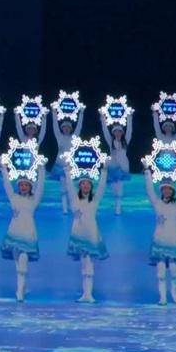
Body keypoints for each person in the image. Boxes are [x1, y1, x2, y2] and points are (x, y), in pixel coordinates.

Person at [143, 166, 176, 305]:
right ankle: (162, 297)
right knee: (161, 271)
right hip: (160, 240)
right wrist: (147, 172)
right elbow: (149, 190)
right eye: (164, 189)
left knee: (174, 270)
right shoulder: (157, 203)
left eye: (169, 189)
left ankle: (174, 293)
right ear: (161, 190)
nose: (167, 191)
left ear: (172, 191)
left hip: (174, 240)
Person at [0, 163, 46, 302]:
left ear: (30, 187)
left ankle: (20, 292)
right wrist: (4, 170)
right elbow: (7, 186)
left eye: (26, 185)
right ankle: (21, 287)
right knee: (18, 265)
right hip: (14, 234)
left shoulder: (34, 200)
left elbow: (40, 187)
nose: (24, 187)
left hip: (28, 235)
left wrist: (41, 170)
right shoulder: (14, 198)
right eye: (21, 185)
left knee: (23, 265)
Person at [64, 166, 109, 303]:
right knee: (84, 264)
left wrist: (104, 171)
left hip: (91, 235)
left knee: (89, 264)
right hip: (78, 235)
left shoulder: (94, 199)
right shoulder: (74, 199)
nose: (86, 186)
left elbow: (101, 187)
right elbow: (69, 186)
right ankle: (86, 293)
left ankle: (89, 294)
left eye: (88, 184)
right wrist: (67, 171)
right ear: (80, 186)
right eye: (83, 183)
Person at [49, 107, 84, 214]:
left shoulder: (74, 137)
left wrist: (81, 113)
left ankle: (74, 206)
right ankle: (65, 208)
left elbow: (79, 127)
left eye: (68, 127)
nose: (66, 129)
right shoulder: (59, 136)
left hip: (71, 165)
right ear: (62, 128)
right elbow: (55, 126)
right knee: (63, 187)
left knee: (71, 187)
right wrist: (54, 112)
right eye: (64, 127)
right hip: (60, 165)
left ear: (71, 129)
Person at [100, 113, 133, 215]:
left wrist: (129, 117)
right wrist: (102, 118)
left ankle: (117, 209)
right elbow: (105, 131)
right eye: (116, 131)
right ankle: (117, 204)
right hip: (112, 166)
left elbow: (130, 130)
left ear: (122, 133)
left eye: (119, 131)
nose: (118, 133)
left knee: (120, 187)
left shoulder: (125, 141)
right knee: (114, 188)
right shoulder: (111, 141)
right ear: (113, 133)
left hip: (123, 167)